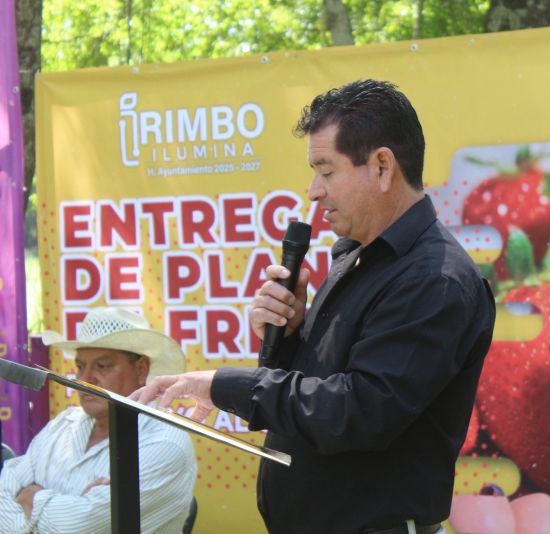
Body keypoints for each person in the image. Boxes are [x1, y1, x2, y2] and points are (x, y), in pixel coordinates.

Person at [132, 79, 496, 534]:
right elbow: (319, 390)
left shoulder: (433, 279)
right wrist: (289, 337)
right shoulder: (359, 256)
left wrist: (225, 385)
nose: (312, 191)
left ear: (383, 166)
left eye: (326, 171)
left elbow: (358, 412)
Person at [0, 307, 197, 534]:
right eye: (80, 366)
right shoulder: (62, 424)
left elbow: (76, 529)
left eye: (102, 366)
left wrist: (29, 497)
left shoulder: (165, 443)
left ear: (141, 369)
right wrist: (72, 506)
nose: (85, 379)